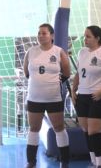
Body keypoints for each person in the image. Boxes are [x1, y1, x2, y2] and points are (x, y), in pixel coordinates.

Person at [71, 25, 101, 168]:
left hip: (100, 97)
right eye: (84, 36)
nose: (84, 39)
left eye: (88, 36)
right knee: (86, 131)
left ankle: (100, 165)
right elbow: (79, 74)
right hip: (83, 97)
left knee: (94, 132)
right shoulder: (82, 52)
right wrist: (74, 91)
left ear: (97, 38)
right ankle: (93, 162)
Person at [23, 23, 71, 168]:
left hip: (53, 98)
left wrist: (51, 85)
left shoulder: (59, 52)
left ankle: (64, 162)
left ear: (52, 36)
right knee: (34, 128)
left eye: (44, 33)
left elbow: (67, 73)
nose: (40, 36)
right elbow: (27, 73)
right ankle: (31, 162)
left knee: (59, 127)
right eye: (39, 33)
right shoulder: (30, 52)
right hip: (34, 98)